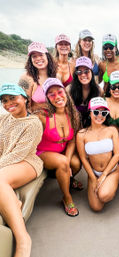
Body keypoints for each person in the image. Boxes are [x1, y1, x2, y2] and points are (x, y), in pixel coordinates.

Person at [0, 84, 43, 257]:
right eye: (4, 100)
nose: (8, 103)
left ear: (24, 99)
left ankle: (23, 239)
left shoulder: (33, 123)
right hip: (6, 161)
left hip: (27, 162)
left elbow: (17, 154)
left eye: (13, 98)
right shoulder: (4, 119)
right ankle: (13, 203)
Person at [36, 78, 81, 217]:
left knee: (75, 163)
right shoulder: (42, 116)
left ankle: (68, 178)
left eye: (60, 92)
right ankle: (67, 198)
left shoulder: (73, 114)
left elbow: (72, 141)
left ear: (65, 93)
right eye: (51, 94)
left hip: (62, 151)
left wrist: (68, 160)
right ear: (47, 98)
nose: (57, 97)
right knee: (63, 163)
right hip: (44, 152)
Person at [76, 97, 119, 211]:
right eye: (96, 112)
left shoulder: (112, 130)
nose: (100, 115)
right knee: (96, 207)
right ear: (90, 113)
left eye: (103, 112)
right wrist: (93, 178)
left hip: (111, 171)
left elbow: (117, 155)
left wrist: (104, 175)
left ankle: (112, 181)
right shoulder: (81, 134)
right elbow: (83, 159)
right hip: (94, 173)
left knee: (104, 196)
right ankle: (96, 182)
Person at [18, 42, 57, 112]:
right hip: (37, 120)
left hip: (55, 119)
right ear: (31, 60)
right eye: (34, 56)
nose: (38, 58)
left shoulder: (57, 76)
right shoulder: (26, 78)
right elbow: (22, 106)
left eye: (41, 55)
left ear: (47, 56)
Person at [68, 56, 103, 127]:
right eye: (79, 72)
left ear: (92, 72)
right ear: (76, 74)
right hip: (73, 126)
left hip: (91, 128)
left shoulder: (99, 90)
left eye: (86, 71)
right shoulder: (69, 89)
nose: (83, 75)